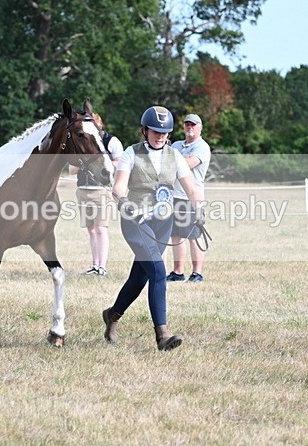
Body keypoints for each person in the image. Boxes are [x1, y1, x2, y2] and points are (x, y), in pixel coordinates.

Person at [102, 105, 206, 351]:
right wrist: (123, 201)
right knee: (159, 272)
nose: (160, 135)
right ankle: (162, 335)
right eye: (155, 131)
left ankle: (112, 316)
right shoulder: (131, 153)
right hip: (136, 220)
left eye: (165, 131)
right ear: (144, 130)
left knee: (139, 277)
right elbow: (118, 186)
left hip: (163, 222)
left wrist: (199, 208)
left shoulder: (175, 156)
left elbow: (191, 187)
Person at [71, 113, 123, 276]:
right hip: (83, 189)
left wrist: (99, 164)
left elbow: (119, 161)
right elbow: (72, 169)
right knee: (91, 230)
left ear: (100, 125)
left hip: (101, 190)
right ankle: (94, 264)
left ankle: (102, 266)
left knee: (101, 229)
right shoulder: (82, 145)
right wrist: (84, 163)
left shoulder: (111, 141)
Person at [166, 113, 211, 283]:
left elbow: (187, 164)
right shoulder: (177, 144)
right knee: (176, 236)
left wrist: (173, 159)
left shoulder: (202, 147)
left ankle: (197, 273)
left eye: (193, 124)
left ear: (200, 128)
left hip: (190, 197)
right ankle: (178, 272)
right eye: (187, 124)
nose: (190, 127)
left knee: (193, 236)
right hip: (173, 196)